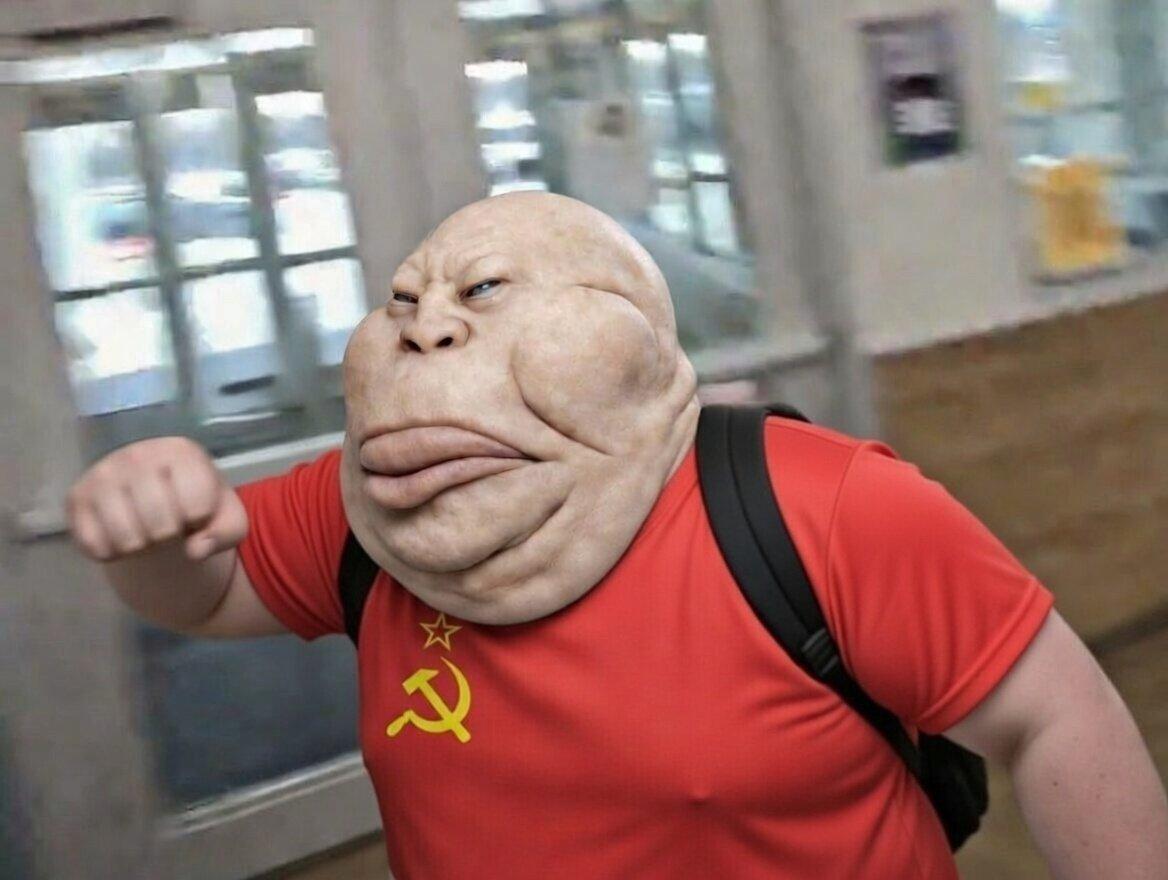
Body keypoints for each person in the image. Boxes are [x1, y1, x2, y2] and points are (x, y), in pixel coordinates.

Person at [67, 193, 1168, 878]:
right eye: (404, 301)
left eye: (485, 290)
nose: (427, 324)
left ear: (632, 335)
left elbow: (1056, 717)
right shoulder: (370, 506)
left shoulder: (820, 507)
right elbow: (211, 595)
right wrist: (155, 538)